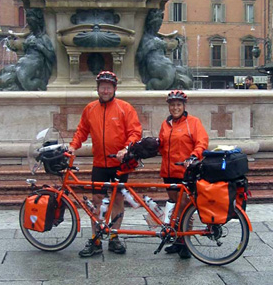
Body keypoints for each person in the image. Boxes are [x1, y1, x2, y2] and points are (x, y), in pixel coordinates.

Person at [68, 71, 142, 257]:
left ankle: (114, 237)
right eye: (102, 87)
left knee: (117, 200)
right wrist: (72, 147)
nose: (106, 90)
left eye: (109, 87)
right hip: (99, 163)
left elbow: (135, 132)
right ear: (98, 89)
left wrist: (126, 148)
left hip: (120, 164)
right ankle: (96, 239)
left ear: (114, 89)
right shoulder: (90, 109)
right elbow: (81, 131)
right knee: (97, 202)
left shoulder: (125, 108)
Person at [158, 90, 209, 259]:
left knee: (185, 207)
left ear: (184, 106)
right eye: (172, 105)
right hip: (169, 171)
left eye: (178, 104)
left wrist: (194, 156)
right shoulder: (166, 124)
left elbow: (202, 141)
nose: (175, 107)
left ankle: (186, 243)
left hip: (186, 172)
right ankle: (178, 240)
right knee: (175, 207)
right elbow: (161, 145)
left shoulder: (193, 122)